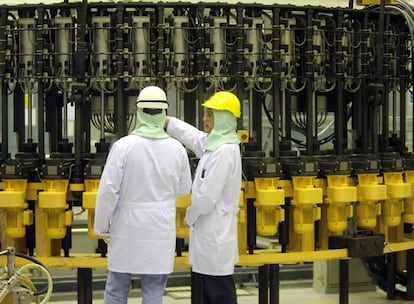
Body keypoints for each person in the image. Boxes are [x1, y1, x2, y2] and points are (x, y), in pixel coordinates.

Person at [93, 85, 192, 304]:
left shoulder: (123, 146)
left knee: (117, 290)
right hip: (160, 228)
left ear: (138, 111)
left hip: (126, 228)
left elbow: (108, 190)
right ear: (165, 112)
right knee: (154, 292)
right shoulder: (177, 149)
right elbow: (185, 188)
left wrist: (101, 225)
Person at [165, 91, 242, 304]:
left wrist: (189, 216)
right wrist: (169, 122)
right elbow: (194, 137)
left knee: (219, 292)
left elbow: (207, 197)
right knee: (207, 291)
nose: (205, 119)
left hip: (215, 231)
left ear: (224, 118)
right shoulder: (214, 145)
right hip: (208, 232)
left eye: (210, 115)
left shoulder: (225, 151)